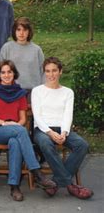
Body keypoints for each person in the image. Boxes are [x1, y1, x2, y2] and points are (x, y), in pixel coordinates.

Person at [0, 60, 56, 201]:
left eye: (9, 72)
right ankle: (37, 173)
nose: (6, 75)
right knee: (21, 132)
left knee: (15, 142)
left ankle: (14, 186)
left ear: (14, 73)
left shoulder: (20, 93)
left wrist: (15, 125)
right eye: (3, 72)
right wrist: (5, 123)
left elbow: (23, 119)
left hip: (15, 130)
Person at [32, 57, 93, 199]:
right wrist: (50, 132)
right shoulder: (37, 91)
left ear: (60, 72)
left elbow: (67, 115)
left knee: (82, 145)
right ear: (44, 73)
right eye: (47, 71)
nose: (51, 74)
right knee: (46, 143)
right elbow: (37, 117)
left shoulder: (68, 92)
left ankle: (55, 183)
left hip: (62, 129)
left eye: (54, 70)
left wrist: (64, 132)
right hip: (42, 130)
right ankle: (71, 185)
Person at [0, 17, 44, 92]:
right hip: (11, 90)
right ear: (14, 31)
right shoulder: (6, 48)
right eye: (18, 29)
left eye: (25, 30)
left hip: (33, 91)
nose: (21, 33)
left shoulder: (37, 50)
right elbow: (0, 71)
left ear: (29, 31)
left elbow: (43, 72)